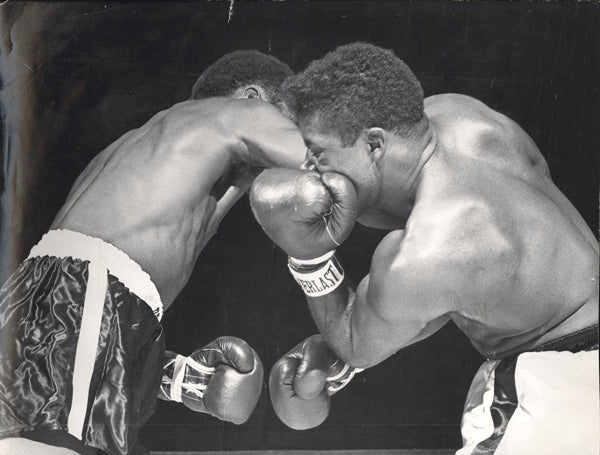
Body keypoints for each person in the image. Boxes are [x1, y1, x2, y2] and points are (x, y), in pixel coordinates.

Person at [251, 42, 599, 454]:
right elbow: (463, 284)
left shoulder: (427, 251)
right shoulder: (461, 114)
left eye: (318, 152)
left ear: (375, 145)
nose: (308, 168)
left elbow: (354, 340)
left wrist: (308, 256)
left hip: (552, 395)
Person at [0, 50, 306, 455]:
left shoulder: (146, 150)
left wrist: (176, 378)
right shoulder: (237, 113)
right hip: (87, 293)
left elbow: (61, 326)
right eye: (287, 117)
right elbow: (328, 162)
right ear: (252, 98)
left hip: (50, 297)